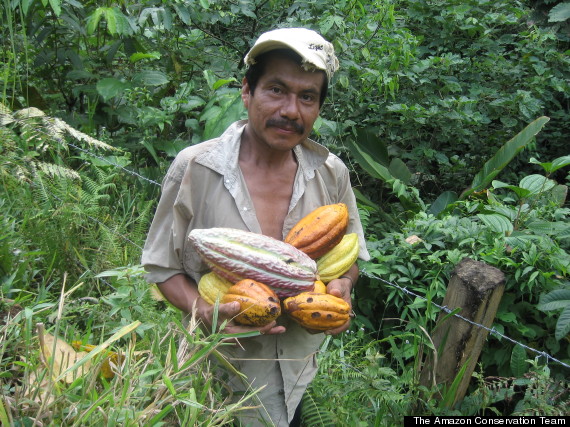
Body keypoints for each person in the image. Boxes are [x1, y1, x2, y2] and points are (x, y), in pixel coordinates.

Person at [141, 27, 370, 426]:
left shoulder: (331, 174)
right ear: (247, 91)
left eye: (307, 97)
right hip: (211, 377)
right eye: (276, 90)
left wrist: (344, 285)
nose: (291, 110)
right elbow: (163, 267)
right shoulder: (195, 169)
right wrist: (206, 310)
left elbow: (349, 256)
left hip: (294, 377)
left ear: (318, 108)